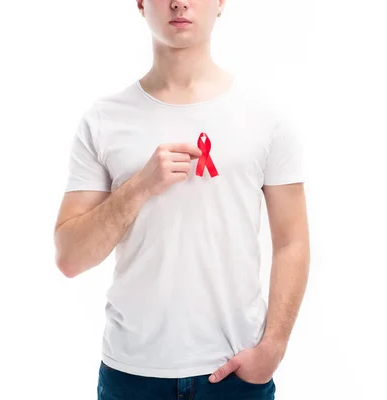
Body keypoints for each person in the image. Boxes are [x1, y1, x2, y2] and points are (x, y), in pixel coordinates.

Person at [53, 0, 310, 399]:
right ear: (140, 3)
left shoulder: (266, 118)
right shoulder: (103, 120)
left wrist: (273, 346)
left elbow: (292, 241)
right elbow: (70, 257)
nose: (179, 3)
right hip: (131, 375)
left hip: (235, 373)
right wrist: (140, 186)